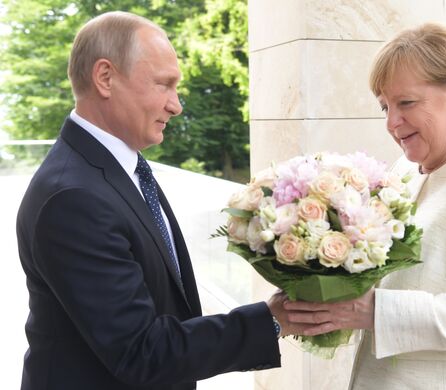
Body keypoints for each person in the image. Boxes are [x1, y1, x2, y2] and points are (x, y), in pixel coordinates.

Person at [16, 11, 302, 390]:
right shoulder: (73, 197)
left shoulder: (120, 169)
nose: (176, 105)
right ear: (105, 77)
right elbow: (141, 351)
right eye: (164, 85)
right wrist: (271, 318)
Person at [284, 22, 446, 389]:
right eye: (385, 107)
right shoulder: (405, 170)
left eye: (406, 103)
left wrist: (376, 310)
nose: (392, 123)